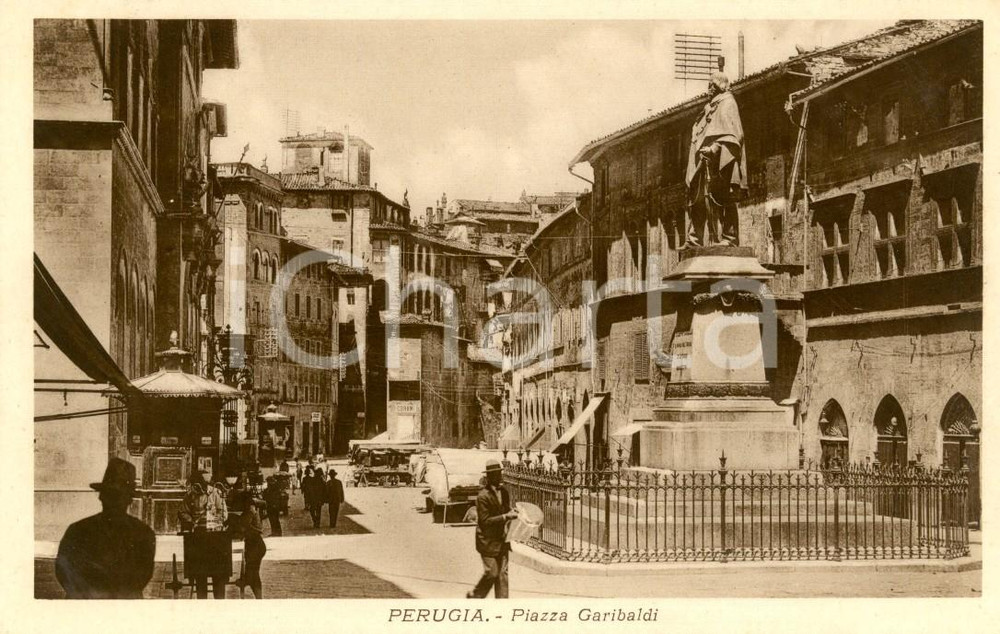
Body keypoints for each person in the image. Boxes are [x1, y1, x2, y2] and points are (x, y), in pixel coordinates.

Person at [55, 458, 155, 599]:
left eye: (118, 496)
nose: (113, 502)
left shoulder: (143, 534)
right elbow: (64, 569)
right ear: (101, 497)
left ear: (129, 500)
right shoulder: (78, 531)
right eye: (110, 495)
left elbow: (141, 577)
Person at [685, 70, 748, 248]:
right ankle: (694, 239)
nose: (709, 89)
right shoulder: (709, 107)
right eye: (708, 86)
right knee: (698, 198)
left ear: (720, 85)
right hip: (705, 161)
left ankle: (729, 238)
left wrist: (714, 148)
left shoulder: (728, 103)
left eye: (712, 85)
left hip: (723, 160)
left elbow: (733, 134)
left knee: (724, 198)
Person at [467, 459, 518, 599]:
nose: (499, 477)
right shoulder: (483, 496)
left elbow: (506, 509)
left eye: (499, 473)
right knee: (492, 573)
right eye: (495, 474)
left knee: (503, 576)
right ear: (489, 477)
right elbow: (484, 521)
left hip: (502, 540)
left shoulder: (505, 492)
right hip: (487, 541)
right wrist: (505, 516)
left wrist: (512, 512)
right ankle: (476, 596)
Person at [178, 469, 229, 599]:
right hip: (198, 536)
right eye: (198, 483)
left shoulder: (216, 492)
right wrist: (191, 521)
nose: (200, 486)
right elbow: (183, 511)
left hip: (215, 536)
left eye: (203, 483)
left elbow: (223, 512)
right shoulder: (190, 495)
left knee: (218, 573)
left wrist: (215, 521)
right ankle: (202, 601)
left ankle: (220, 601)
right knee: (200, 574)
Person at [236, 491, 266, 599]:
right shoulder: (251, 508)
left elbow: (245, 526)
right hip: (256, 544)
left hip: (255, 545)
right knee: (253, 573)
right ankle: (258, 597)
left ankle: (258, 597)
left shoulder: (249, 510)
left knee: (252, 573)